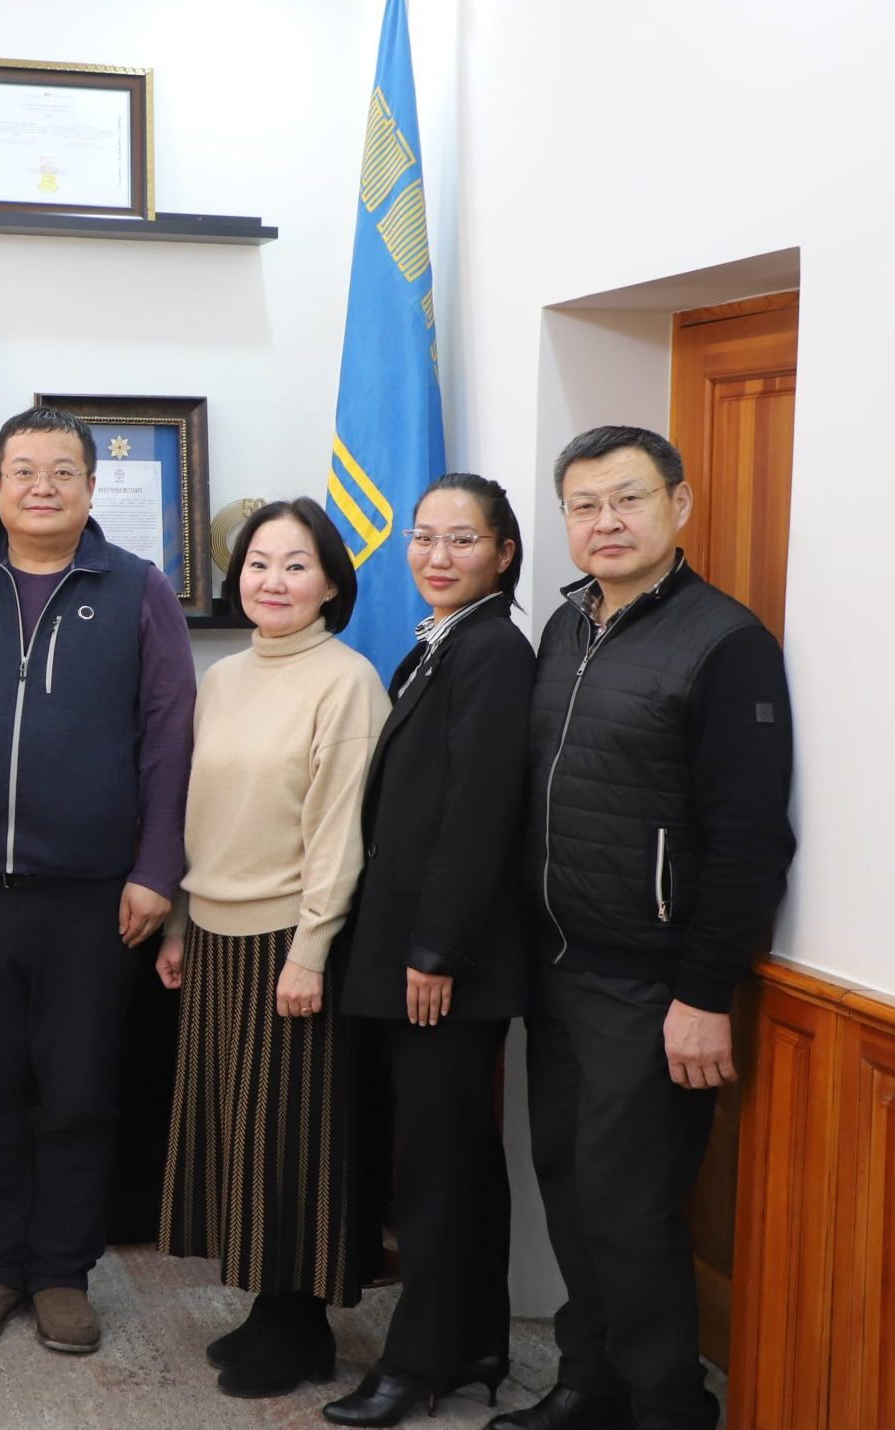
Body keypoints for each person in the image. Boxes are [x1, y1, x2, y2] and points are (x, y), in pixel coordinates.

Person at [494, 427, 793, 1430]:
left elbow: (751, 839)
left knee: (630, 1208)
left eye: (627, 498)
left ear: (680, 505)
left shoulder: (726, 642)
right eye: (584, 505)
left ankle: (669, 1406)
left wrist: (704, 992)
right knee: (569, 1187)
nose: (606, 521)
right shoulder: (564, 625)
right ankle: (590, 1384)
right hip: (556, 966)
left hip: (650, 982)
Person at [0, 406, 195, 1355]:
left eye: (62, 471)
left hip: (93, 894)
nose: (42, 486)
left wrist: (156, 869)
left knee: (77, 1094)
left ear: (89, 484)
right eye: (24, 470)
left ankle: (61, 1273)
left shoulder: (136, 587)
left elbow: (170, 737)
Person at [158, 496, 386, 1399]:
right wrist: (179, 921)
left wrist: (311, 949)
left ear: (330, 582)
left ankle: (301, 1327)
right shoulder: (223, 677)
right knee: (237, 1135)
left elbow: (340, 833)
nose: (273, 581)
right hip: (215, 934)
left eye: (295, 565)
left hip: (289, 939)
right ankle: (267, 1304)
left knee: (292, 1140)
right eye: (257, 563)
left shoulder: (347, 681)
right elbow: (200, 813)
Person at [322, 475, 533, 1427]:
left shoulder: (492, 651)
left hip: (441, 962)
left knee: (437, 1171)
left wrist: (436, 950)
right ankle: (476, 1339)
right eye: (422, 536)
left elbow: (477, 811)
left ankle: (417, 1363)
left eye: (461, 540)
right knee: (455, 1158)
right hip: (408, 946)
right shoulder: (439, 642)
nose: (435, 556)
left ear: (503, 553)